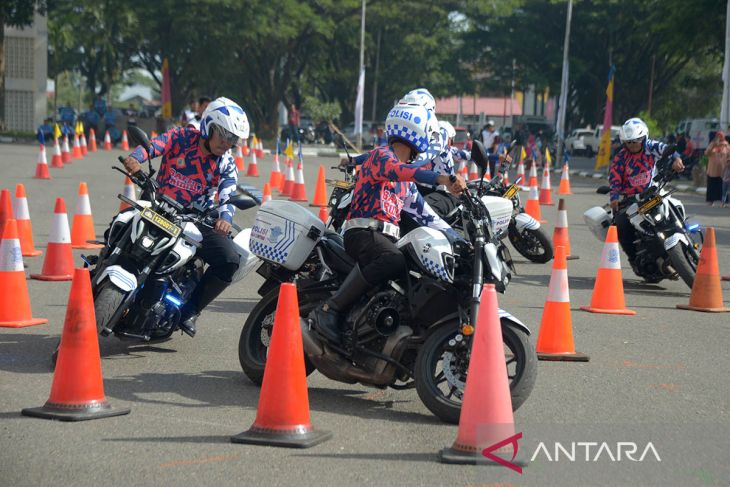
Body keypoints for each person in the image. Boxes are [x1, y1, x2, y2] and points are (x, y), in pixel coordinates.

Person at [312, 102, 467, 343]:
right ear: (419, 134)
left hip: (385, 238)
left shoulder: (406, 181)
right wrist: (442, 179)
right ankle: (329, 309)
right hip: (363, 233)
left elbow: (428, 216)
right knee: (391, 258)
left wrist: (459, 241)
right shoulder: (381, 157)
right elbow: (401, 171)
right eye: (430, 134)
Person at [122, 97, 249, 337]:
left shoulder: (226, 163)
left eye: (233, 139)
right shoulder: (181, 137)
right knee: (122, 223)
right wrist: (136, 158)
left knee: (230, 260)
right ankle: (102, 267)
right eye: (223, 134)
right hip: (158, 206)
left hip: (195, 219)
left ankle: (189, 311)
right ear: (208, 126)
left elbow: (228, 191)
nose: (227, 143)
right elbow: (154, 146)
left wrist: (225, 217)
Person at [609, 117, 684, 270]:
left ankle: (683, 232)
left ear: (643, 138)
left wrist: (676, 159)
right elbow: (614, 179)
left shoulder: (651, 147)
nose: (633, 145)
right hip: (632, 200)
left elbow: (666, 149)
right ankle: (634, 258)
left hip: (653, 193)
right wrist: (615, 197)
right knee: (621, 224)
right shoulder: (620, 157)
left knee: (673, 204)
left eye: (636, 140)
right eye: (629, 142)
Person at [704, 131, 730, 206]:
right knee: (712, 185)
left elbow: (729, 155)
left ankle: (724, 202)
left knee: (724, 187)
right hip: (713, 169)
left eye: (721, 136)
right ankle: (711, 201)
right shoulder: (712, 144)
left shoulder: (726, 145)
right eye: (718, 136)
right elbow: (706, 153)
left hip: (723, 170)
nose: (719, 138)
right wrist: (713, 146)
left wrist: (728, 162)